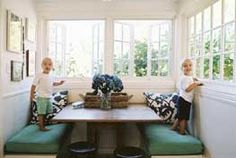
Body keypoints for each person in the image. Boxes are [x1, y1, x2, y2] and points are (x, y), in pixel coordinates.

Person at [30, 57, 64, 131]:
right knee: (41, 112)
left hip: (48, 97)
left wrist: (59, 83)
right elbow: (33, 85)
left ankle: (44, 124)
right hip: (41, 97)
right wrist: (32, 95)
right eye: (45, 64)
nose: (47, 66)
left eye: (49, 64)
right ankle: (41, 126)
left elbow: (53, 83)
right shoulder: (39, 75)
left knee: (47, 111)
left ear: (52, 66)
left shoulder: (51, 76)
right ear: (42, 66)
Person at [171, 58, 202, 135]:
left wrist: (193, 79)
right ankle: (182, 132)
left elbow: (189, 80)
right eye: (185, 66)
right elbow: (187, 89)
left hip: (184, 100)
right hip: (184, 100)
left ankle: (173, 128)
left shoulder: (188, 77)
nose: (188, 67)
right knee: (183, 118)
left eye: (190, 65)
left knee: (180, 117)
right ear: (181, 68)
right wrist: (195, 84)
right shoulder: (184, 78)